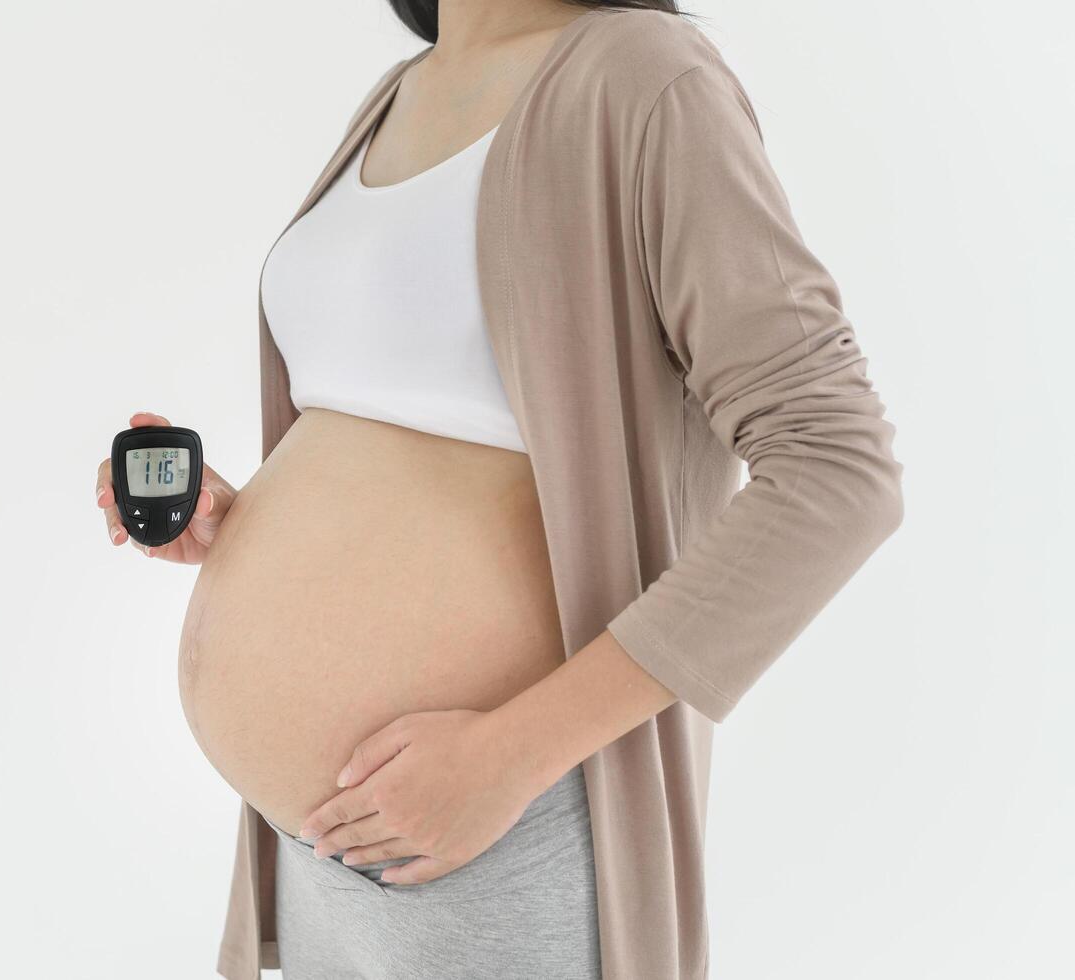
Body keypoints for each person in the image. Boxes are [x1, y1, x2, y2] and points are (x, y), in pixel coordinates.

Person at [95, 2, 904, 977]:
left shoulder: (643, 75)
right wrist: (243, 520)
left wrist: (511, 756)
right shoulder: (395, 94)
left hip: (490, 833)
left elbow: (836, 462)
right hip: (320, 847)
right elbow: (395, 428)